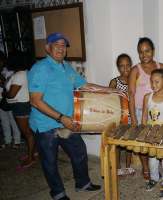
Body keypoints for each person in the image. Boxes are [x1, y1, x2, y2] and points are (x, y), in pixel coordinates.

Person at [27, 33, 121, 200]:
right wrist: (61, 118)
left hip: (66, 122)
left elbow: (85, 86)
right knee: (50, 162)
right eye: (56, 44)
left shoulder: (67, 68)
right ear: (48, 48)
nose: (60, 48)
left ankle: (82, 183)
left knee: (79, 151)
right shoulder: (40, 69)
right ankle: (58, 193)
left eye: (63, 45)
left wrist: (112, 90)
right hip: (46, 126)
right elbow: (35, 101)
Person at [128, 37, 163, 180]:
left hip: (158, 113)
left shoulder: (161, 66)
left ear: (153, 51)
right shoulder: (135, 70)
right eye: (140, 52)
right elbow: (131, 95)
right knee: (145, 142)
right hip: (140, 111)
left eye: (147, 51)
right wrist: (133, 118)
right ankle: (146, 168)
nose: (144, 55)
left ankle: (160, 164)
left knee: (161, 140)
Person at [142, 69, 163, 199]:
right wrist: (144, 131)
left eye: (157, 82)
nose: (153, 84)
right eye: (151, 82)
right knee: (152, 161)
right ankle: (154, 178)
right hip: (152, 134)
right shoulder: (147, 97)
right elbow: (145, 115)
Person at [3, 50, 38, 171]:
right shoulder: (20, 73)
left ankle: (30, 158)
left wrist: (4, 94)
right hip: (20, 106)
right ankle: (34, 152)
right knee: (28, 132)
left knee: (27, 133)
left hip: (21, 106)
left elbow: (11, 94)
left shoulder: (19, 75)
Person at [109, 53, 136, 179]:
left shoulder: (134, 80)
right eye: (122, 66)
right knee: (118, 143)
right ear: (118, 67)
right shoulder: (115, 81)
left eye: (128, 65)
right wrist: (121, 93)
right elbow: (109, 97)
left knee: (129, 142)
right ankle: (118, 167)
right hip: (119, 116)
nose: (125, 69)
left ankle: (128, 165)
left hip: (131, 116)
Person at [0, 50, 21, 151]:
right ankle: (7, 140)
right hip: (0, 99)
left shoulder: (9, 71)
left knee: (13, 120)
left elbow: (6, 85)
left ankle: (17, 140)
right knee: (4, 121)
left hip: (8, 99)